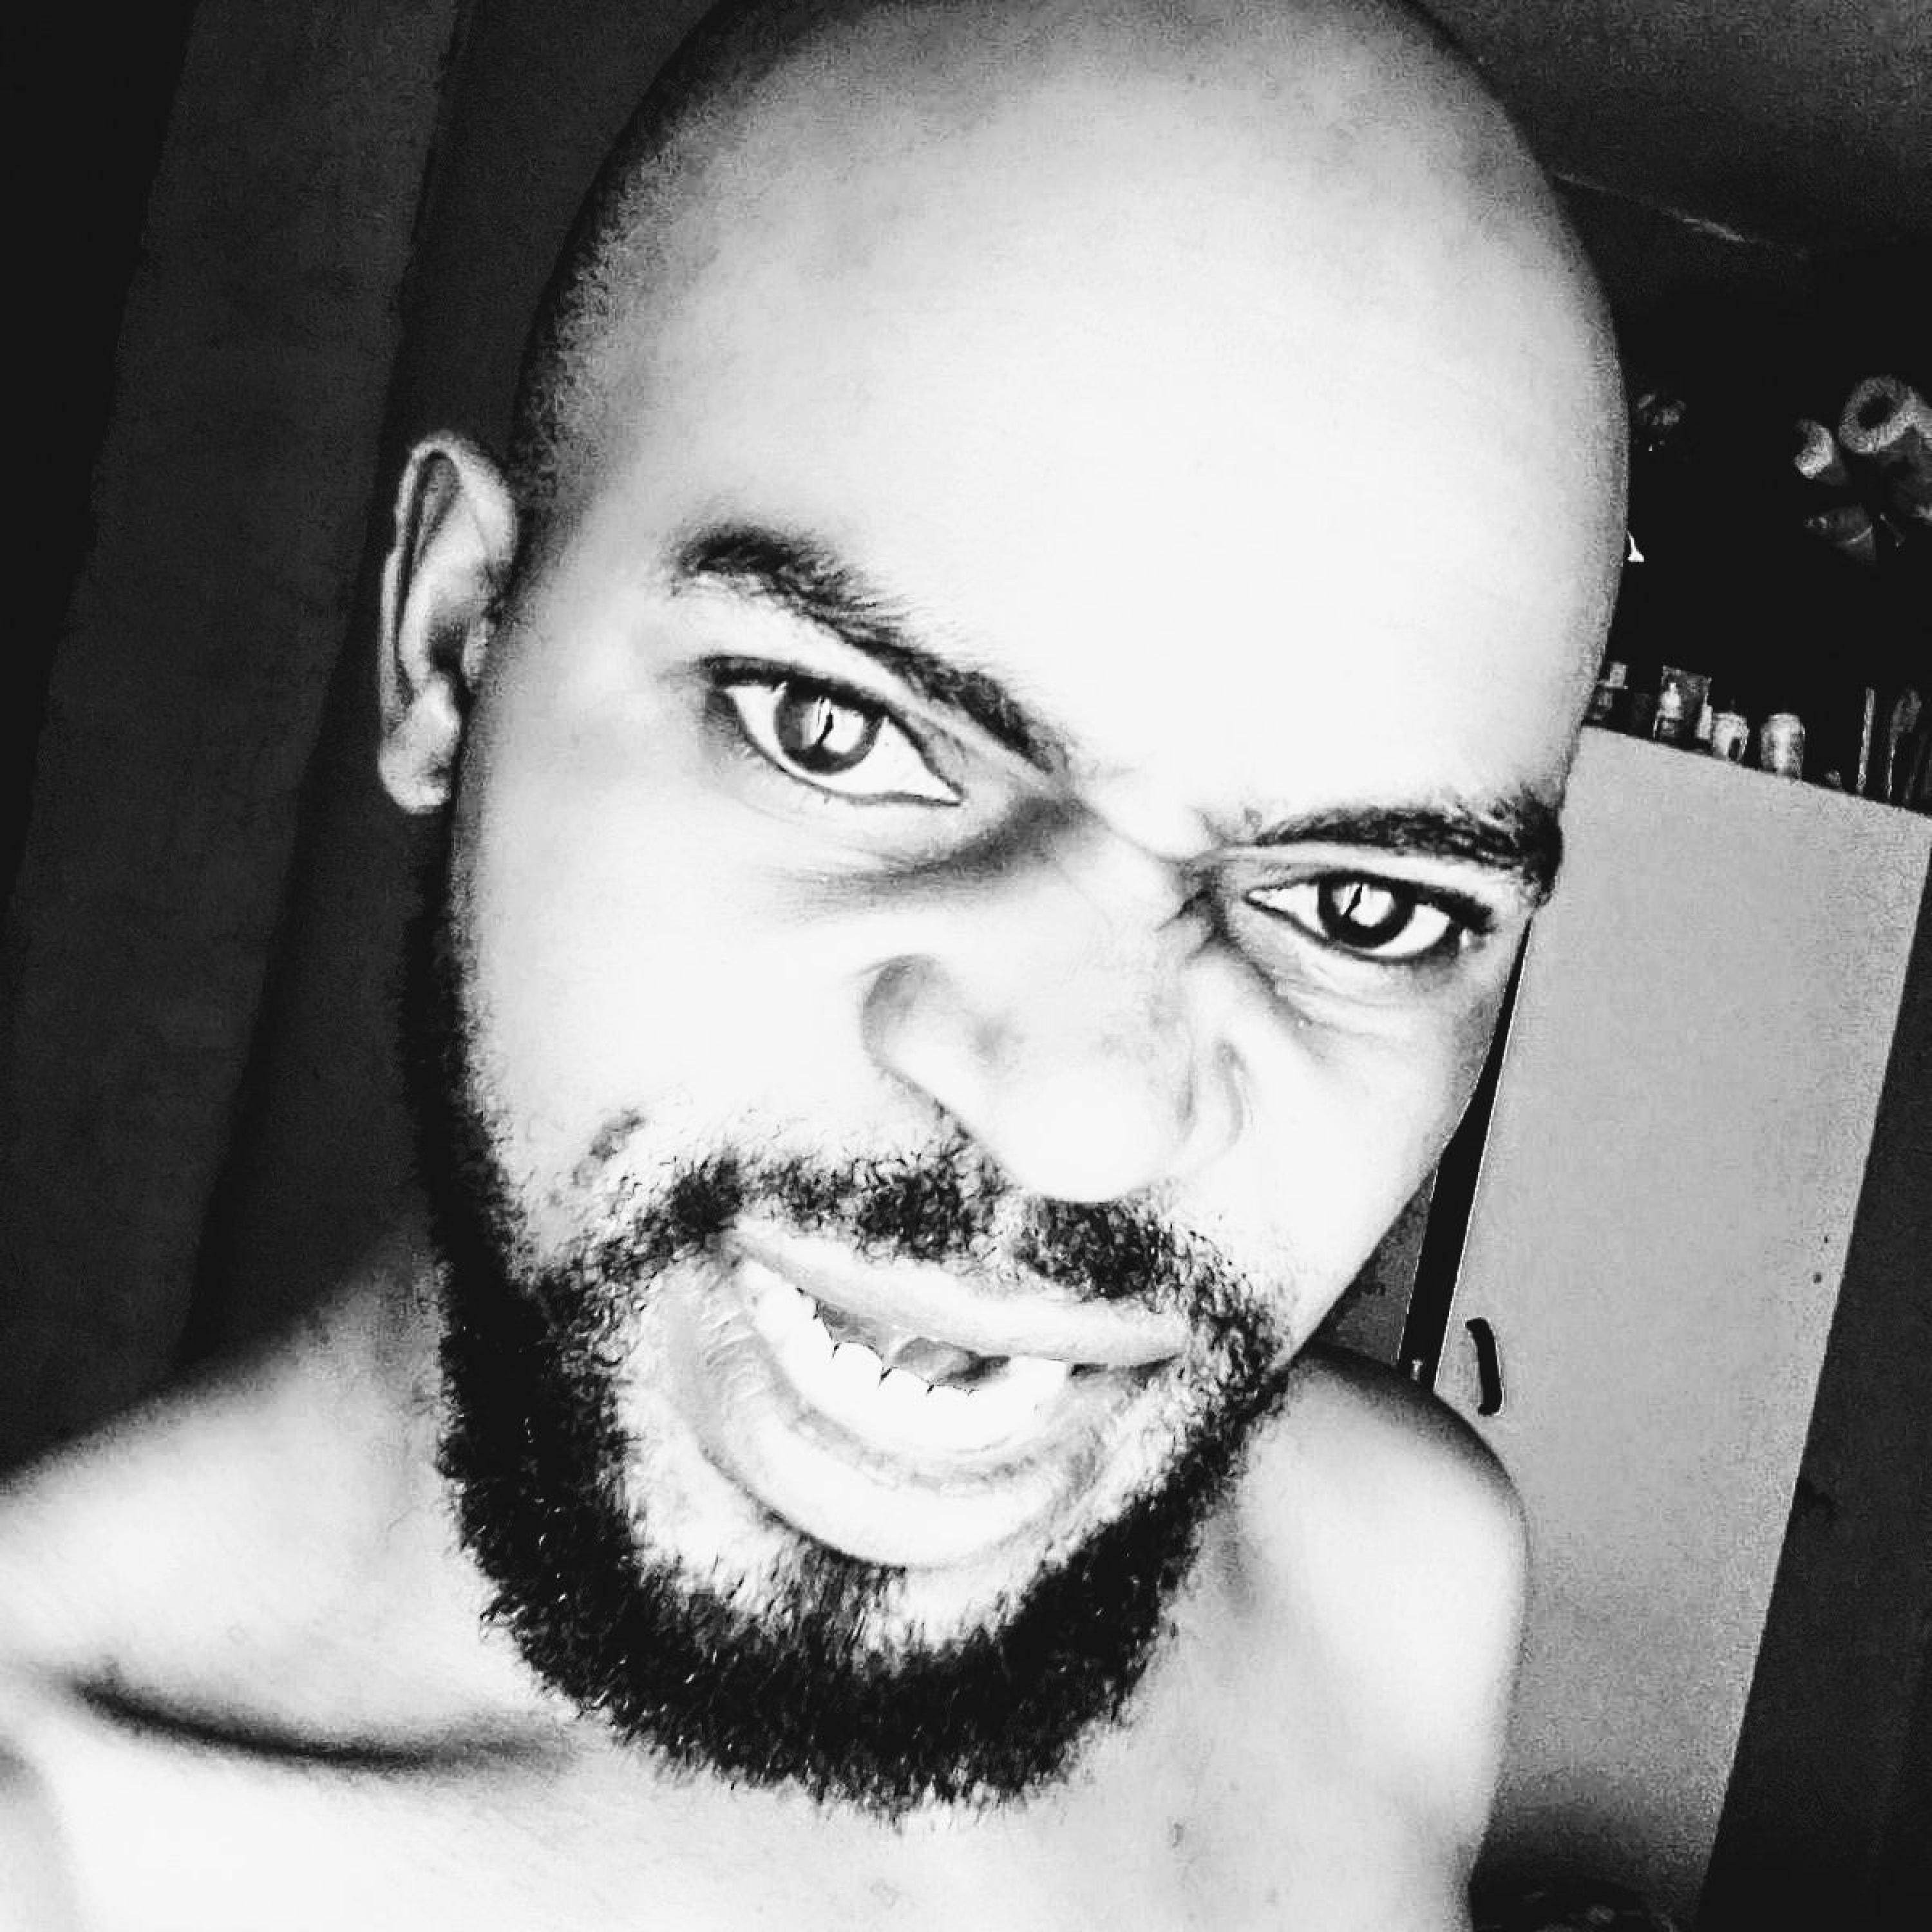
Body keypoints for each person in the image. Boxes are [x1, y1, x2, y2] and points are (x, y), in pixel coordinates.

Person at [0, 0, 1625, 1924]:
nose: (1083, 1124)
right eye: (832, 732)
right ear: (452, 644)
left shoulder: (1396, 1582)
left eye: (1366, 910)